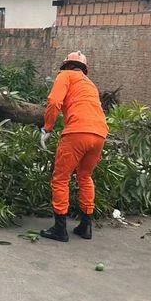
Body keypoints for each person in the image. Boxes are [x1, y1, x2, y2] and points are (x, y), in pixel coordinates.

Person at [39, 52, 109, 242]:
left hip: (77, 131)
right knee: (85, 176)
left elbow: (54, 102)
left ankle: (60, 229)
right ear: (83, 69)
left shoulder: (65, 76)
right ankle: (86, 226)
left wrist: (48, 128)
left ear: (66, 65)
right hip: (100, 133)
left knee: (61, 178)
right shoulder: (90, 84)